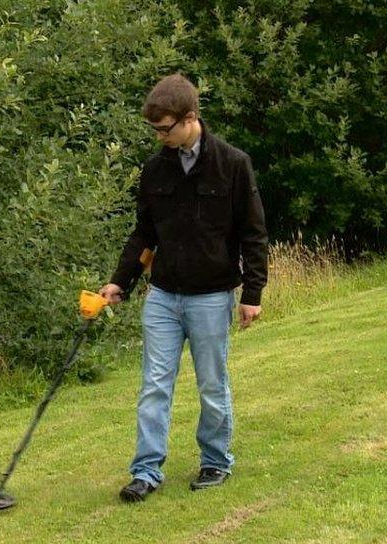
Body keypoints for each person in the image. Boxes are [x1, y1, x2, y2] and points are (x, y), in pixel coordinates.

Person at [99, 73, 268, 502]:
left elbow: (254, 234)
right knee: (154, 384)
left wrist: (251, 295)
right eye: (154, 129)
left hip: (212, 296)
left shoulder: (232, 164)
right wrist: (121, 280)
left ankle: (215, 461)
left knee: (212, 382)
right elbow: (143, 234)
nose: (159, 136)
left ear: (190, 118)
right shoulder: (156, 169)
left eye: (165, 128)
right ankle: (146, 471)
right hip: (163, 295)